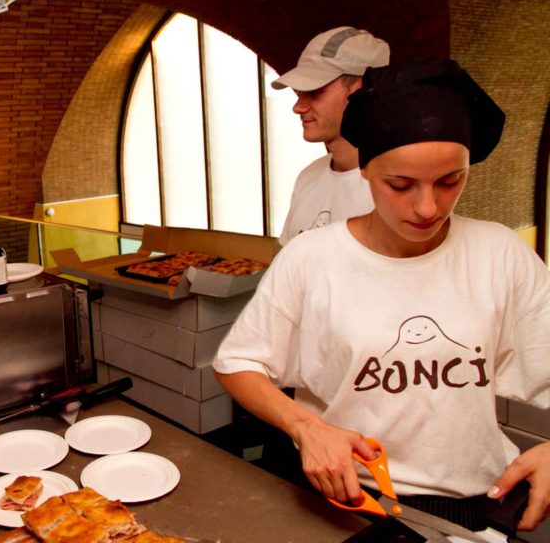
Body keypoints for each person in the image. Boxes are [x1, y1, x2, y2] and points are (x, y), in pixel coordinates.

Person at [214, 58, 550, 532]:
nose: (428, 207)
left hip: (472, 503)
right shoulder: (313, 258)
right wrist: (307, 427)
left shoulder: (499, 253)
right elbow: (238, 363)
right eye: (401, 184)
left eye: (450, 181)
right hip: (348, 498)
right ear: (366, 172)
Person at [272, 26, 390, 245]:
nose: (297, 107)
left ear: (361, 92)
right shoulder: (308, 177)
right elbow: (284, 268)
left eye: (315, 92)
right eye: (299, 93)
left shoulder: (396, 191)